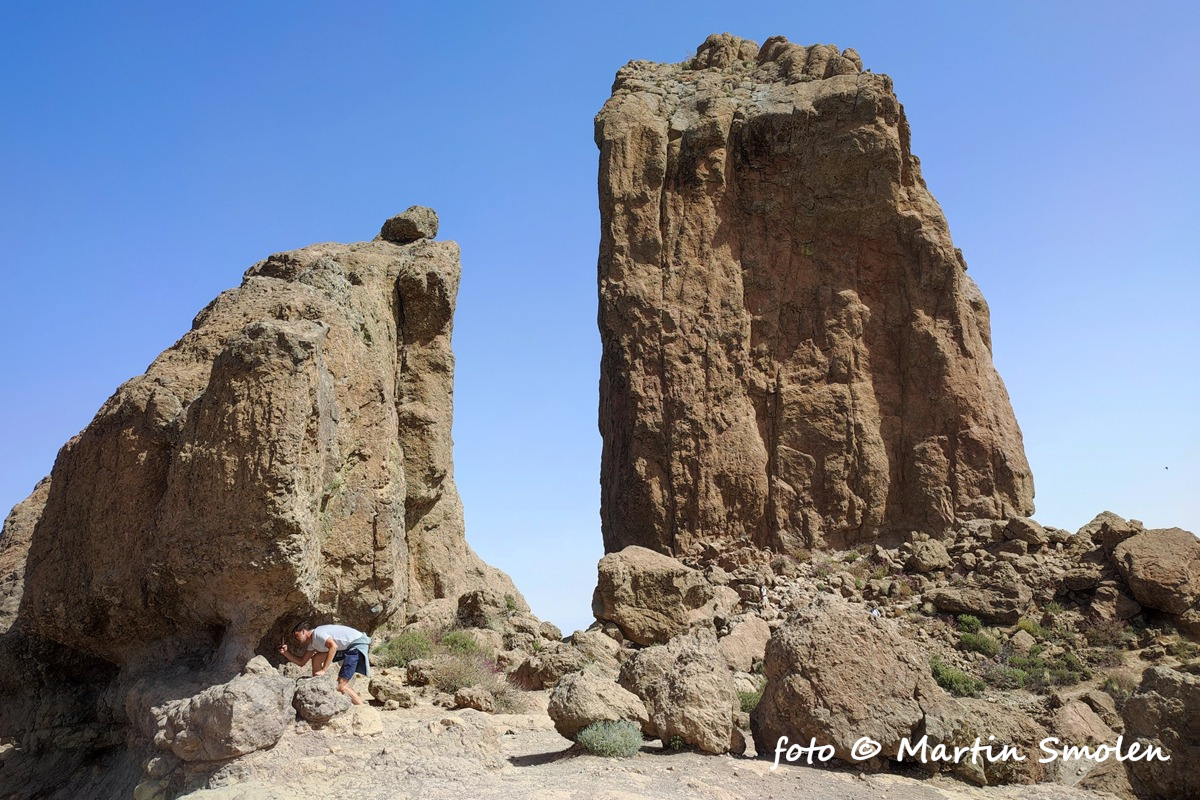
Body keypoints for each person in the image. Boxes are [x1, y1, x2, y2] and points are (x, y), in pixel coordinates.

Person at [279, 622, 371, 705]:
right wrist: (285, 653)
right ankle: (318, 684)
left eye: (296, 636)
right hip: (346, 647)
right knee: (316, 658)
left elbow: (333, 646)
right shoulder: (312, 644)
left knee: (341, 686)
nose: (296, 639)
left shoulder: (318, 634)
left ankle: (362, 707)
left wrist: (324, 670)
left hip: (356, 645)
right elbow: (301, 662)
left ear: (303, 631)